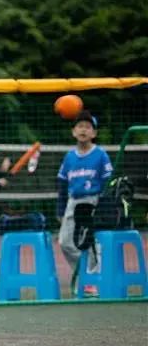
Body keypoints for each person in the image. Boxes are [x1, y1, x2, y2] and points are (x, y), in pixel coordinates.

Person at [56, 110, 112, 269]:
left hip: (93, 201)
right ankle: (83, 274)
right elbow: (62, 183)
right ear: (73, 132)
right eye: (80, 126)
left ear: (94, 133)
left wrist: (104, 207)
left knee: (92, 241)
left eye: (87, 127)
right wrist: (60, 209)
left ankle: (95, 279)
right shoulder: (69, 157)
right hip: (73, 202)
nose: (83, 130)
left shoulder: (101, 155)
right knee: (65, 242)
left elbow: (108, 181)